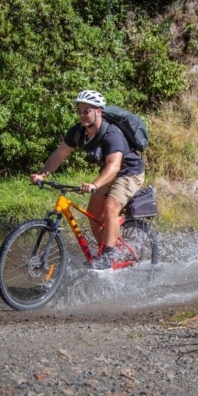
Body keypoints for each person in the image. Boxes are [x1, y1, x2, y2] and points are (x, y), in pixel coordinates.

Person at [30, 90, 145, 269]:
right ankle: (107, 250)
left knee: (111, 207)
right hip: (107, 173)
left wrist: (94, 184)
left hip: (129, 173)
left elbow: (114, 165)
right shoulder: (78, 132)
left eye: (87, 111)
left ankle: (108, 257)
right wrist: (43, 173)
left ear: (99, 111)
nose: (82, 114)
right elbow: (60, 154)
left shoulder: (112, 133)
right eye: (80, 110)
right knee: (93, 214)